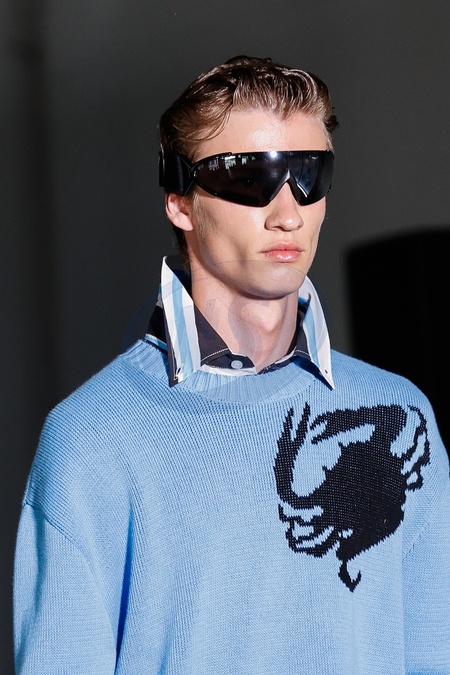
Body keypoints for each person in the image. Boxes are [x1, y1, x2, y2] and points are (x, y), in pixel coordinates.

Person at [13, 55, 450, 673]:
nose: (287, 212)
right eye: (251, 177)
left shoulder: (403, 411)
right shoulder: (92, 437)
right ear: (180, 201)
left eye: (309, 174)